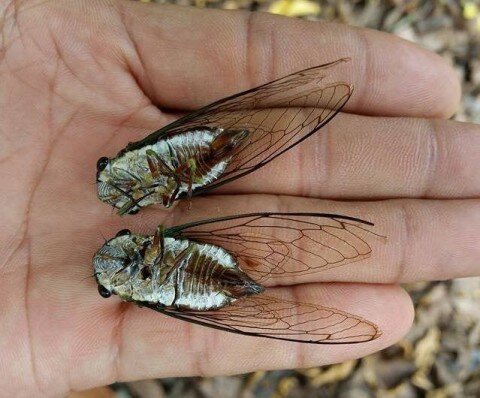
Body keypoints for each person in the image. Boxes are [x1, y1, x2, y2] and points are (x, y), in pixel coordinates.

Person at [1, 0, 478, 396]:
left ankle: (217, 174)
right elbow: (168, 220)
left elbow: (169, 199)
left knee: (217, 162)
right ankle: (231, 274)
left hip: (187, 169)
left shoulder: (148, 210)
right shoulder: (152, 251)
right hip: (187, 261)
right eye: (112, 287)